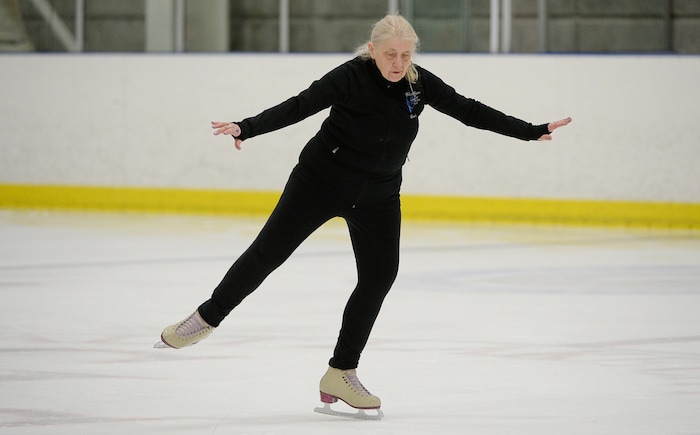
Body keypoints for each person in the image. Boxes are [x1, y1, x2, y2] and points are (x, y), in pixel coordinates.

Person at [158, 14, 571, 416]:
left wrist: (530, 130)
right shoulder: (350, 75)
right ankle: (205, 319)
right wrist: (247, 127)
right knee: (268, 253)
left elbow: (470, 110)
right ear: (372, 50)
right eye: (390, 54)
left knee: (379, 276)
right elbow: (301, 105)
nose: (398, 63)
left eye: (406, 56)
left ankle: (341, 371)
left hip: (378, 195)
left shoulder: (419, 84)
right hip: (319, 183)